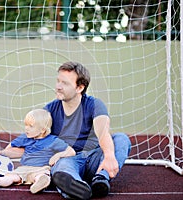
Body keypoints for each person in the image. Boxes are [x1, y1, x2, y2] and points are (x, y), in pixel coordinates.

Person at [43, 61, 131, 199]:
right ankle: (76, 187)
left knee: (121, 139)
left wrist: (108, 155)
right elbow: (34, 137)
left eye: (64, 83)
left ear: (80, 88)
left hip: (94, 158)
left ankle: (101, 179)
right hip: (68, 159)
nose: (58, 87)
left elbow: (103, 132)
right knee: (62, 168)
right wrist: (6, 153)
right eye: (58, 81)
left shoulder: (94, 104)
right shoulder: (49, 109)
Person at [0, 109, 76, 194]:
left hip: (41, 168)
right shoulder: (25, 138)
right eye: (26, 125)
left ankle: (39, 184)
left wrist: (58, 155)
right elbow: (8, 150)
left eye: (30, 126)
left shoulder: (53, 141)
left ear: (42, 130)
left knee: (42, 175)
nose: (26, 128)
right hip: (23, 168)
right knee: (10, 177)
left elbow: (71, 151)